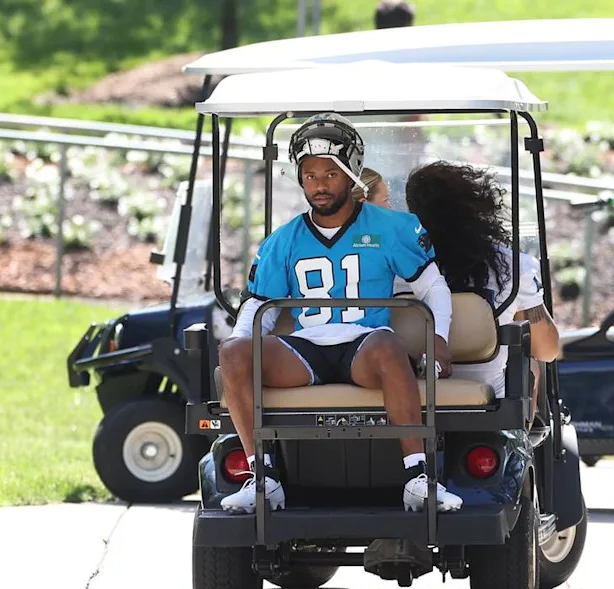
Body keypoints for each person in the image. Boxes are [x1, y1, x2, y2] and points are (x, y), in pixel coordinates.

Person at [218, 113, 461, 514]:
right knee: (233, 353)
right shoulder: (283, 240)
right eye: (310, 175)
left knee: (385, 342)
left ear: (351, 175)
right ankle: (263, 478)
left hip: (364, 347)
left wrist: (439, 338)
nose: (319, 185)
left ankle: (420, 478)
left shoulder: (390, 227)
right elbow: (258, 306)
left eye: (330, 174)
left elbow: (432, 286)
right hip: (305, 349)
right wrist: (240, 342)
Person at [401, 161, 560, 407]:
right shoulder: (514, 267)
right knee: (531, 362)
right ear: (474, 208)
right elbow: (547, 349)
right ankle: (521, 439)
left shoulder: (397, 264)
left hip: (411, 395)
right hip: (489, 402)